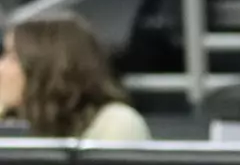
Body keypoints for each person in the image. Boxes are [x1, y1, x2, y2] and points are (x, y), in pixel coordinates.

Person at [0, 16, 150, 141]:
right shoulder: (17, 121)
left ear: (48, 66)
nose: (1, 68)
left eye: (12, 57)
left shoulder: (116, 123)